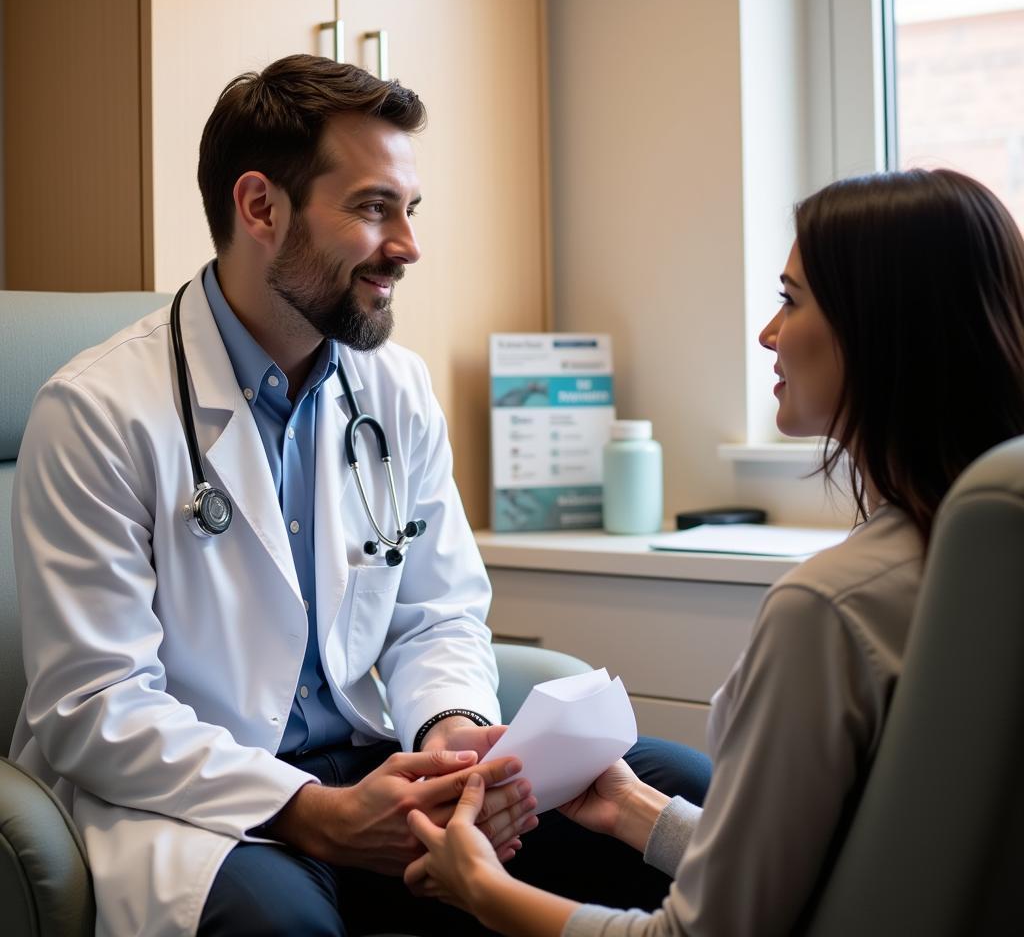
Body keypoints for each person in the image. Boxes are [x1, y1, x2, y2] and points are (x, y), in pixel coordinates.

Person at [10, 54, 707, 937]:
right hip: (208, 804)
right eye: (375, 209)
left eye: (409, 210)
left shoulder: (394, 389)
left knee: (684, 790)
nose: (408, 246)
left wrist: (454, 734)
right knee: (283, 926)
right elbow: (93, 703)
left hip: (379, 763)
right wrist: (311, 810)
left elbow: (440, 615)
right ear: (259, 207)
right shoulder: (98, 410)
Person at [403, 168, 1024, 936]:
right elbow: (846, 867)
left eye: (791, 301)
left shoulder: (829, 608)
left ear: (880, 328)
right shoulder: (976, 560)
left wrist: (482, 889)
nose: (768, 332)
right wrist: (635, 810)